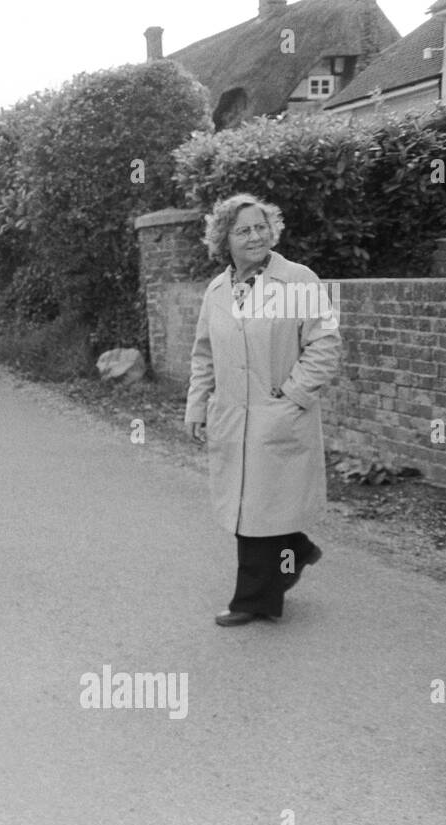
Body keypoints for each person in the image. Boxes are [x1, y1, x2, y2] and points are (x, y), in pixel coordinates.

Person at [185, 193, 342, 627]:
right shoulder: (217, 291)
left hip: (279, 413)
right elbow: (204, 355)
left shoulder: (297, 280)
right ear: (224, 240)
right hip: (233, 416)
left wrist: (292, 395)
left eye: (260, 227)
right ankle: (298, 551)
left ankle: (252, 600)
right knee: (253, 505)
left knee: (259, 509)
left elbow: (324, 345)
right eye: (243, 230)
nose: (255, 236)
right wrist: (197, 406)